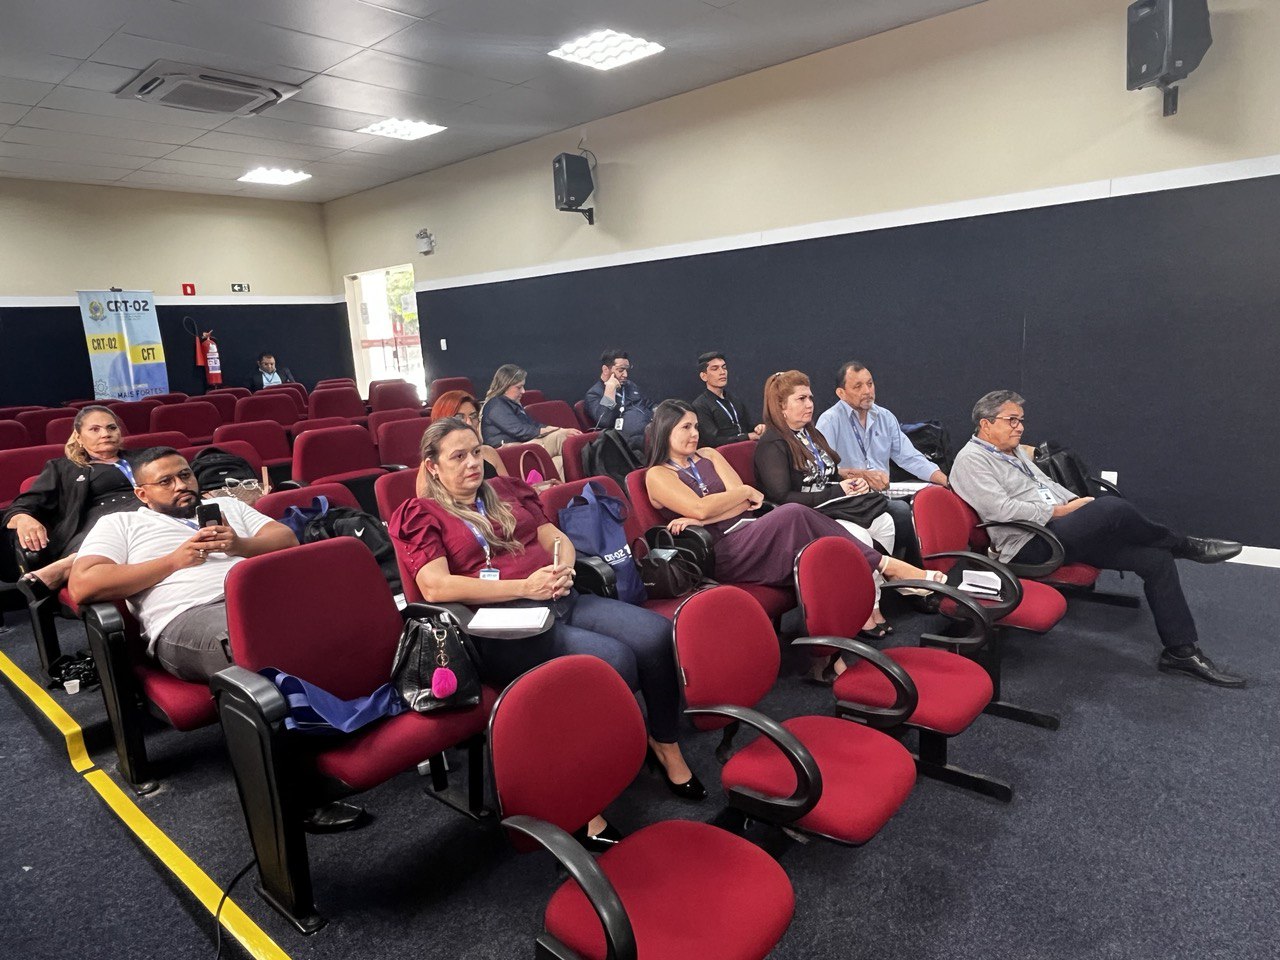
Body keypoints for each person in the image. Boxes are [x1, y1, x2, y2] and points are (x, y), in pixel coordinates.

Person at [388, 418, 705, 848]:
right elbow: (435, 587)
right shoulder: (421, 515)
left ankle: (664, 743)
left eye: (476, 452)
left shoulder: (506, 490)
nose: (472, 463)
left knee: (654, 634)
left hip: (558, 597)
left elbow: (555, 537)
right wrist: (524, 587)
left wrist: (563, 567)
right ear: (433, 466)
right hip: (504, 628)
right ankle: (579, 799)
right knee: (611, 662)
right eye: (458, 456)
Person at [949, 390, 1244, 687]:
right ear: (986, 424)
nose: (1020, 427)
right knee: (1112, 508)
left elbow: (1047, 484)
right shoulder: (972, 460)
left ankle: (1181, 652)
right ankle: (1184, 545)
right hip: (1027, 544)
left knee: (1156, 560)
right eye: (1012, 420)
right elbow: (1001, 510)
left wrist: (1076, 504)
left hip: (1056, 531)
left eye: (1021, 420)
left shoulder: (1011, 452)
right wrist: (1063, 511)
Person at [644, 400, 945, 682]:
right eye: (686, 427)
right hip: (722, 551)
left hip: (752, 529)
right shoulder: (657, 474)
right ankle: (887, 566)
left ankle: (825, 657)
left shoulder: (709, 455)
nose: (695, 433)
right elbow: (707, 506)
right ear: (665, 430)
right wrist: (719, 506)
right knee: (793, 513)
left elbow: (748, 500)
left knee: (817, 561)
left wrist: (713, 510)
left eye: (696, 426)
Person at [67, 447, 298, 683]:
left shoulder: (228, 505)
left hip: (258, 598)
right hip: (190, 614)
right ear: (142, 494)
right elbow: (83, 584)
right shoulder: (121, 523)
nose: (180, 485)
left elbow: (287, 539)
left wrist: (239, 545)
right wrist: (173, 561)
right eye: (165, 482)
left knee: (311, 620)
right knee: (259, 640)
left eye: (185, 475)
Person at [754, 371, 899, 637]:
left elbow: (828, 475)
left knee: (884, 523)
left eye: (810, 398)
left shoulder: (809, 433)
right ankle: (859, 611)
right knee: (859, 537)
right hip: (802, 520)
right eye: (801, 399)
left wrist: (851, 483)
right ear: (781, 406)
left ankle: (873, 603)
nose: (809, 404)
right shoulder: (772, 443)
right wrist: (835, 491)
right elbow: (782, 498)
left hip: (831, 506)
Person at [815, 361, 948, 565]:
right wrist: (862, 475)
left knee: (928, 502)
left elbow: (909, 457)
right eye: (858, 386)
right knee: (903, 513)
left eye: (870, 384)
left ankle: (920, 567)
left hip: (882, 493)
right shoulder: (830, 421)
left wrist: (945, 481)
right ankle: (914, 571)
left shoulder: (885, 417)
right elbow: (824, 471)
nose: (867, 391)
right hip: (851, 499)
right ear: (841, 393)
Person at [4, 406, 141, 601]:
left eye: (111, 428)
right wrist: (23, 518)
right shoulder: (63, 468)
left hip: (153, 512)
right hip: (98, 526)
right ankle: (77, 560)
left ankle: (71, 564)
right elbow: (25, 504)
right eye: (95, 429)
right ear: (78, 436)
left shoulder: (145, 458)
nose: (105, 434)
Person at [480, 364, 580, 476]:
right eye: (519, 387)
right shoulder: (496, 406)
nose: (523, 391)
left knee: (560, 462)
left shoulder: (511, 404)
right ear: (505, 386)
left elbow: (532, 425)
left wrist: (555, 429)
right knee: (564, 437)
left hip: (523, 445)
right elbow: (520, 430)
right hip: (510, 452)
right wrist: (558, 431)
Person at [584, 349, 654, 455]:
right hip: (629, 446)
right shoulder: (594, 394)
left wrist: (662, 411)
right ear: (605, 369)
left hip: (652, 433)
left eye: (627, 370)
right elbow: (605, 420)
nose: (625, 374)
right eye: (621, 370)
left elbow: (648, 404)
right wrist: (610, 390)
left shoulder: (630, 385)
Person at [430, 390, 508, 483]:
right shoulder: (433, 463)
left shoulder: (488, 452)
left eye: (473, 416)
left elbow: (510, 488)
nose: (469, 423)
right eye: (459, 417)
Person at [690, 351, 764, 447]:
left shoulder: (734, 400)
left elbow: (748, 426)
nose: (722, 372)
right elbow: (713, 441)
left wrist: (758, 428)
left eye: (724, 367)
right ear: (704, 376)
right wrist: (747, 437)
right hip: (720, 454)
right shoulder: (700, 405)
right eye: (715, 369)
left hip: (746, 448)